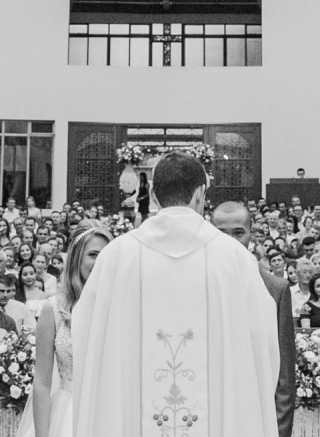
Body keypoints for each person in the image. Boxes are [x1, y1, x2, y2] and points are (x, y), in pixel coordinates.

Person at [73, 153, 277, 437]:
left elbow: (85, 339)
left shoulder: (116, 257)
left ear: (154, 196)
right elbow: (263, 346)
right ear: (200, 193)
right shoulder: (235, 259)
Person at [207, 201, 296, 437]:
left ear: (251, 234)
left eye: (238, 233)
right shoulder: (194, 283)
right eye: (221, 233)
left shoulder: (275, 288)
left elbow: (284, 381)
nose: (230, 241)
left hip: (255, 417)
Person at [24, 225, 107, 437]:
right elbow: (42, 382)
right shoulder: (53, 309)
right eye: (93, 255)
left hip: (108, 412)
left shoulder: (119, 307)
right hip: (67, 414)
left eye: (106, 255)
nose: (100, 261)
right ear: (77, 259)